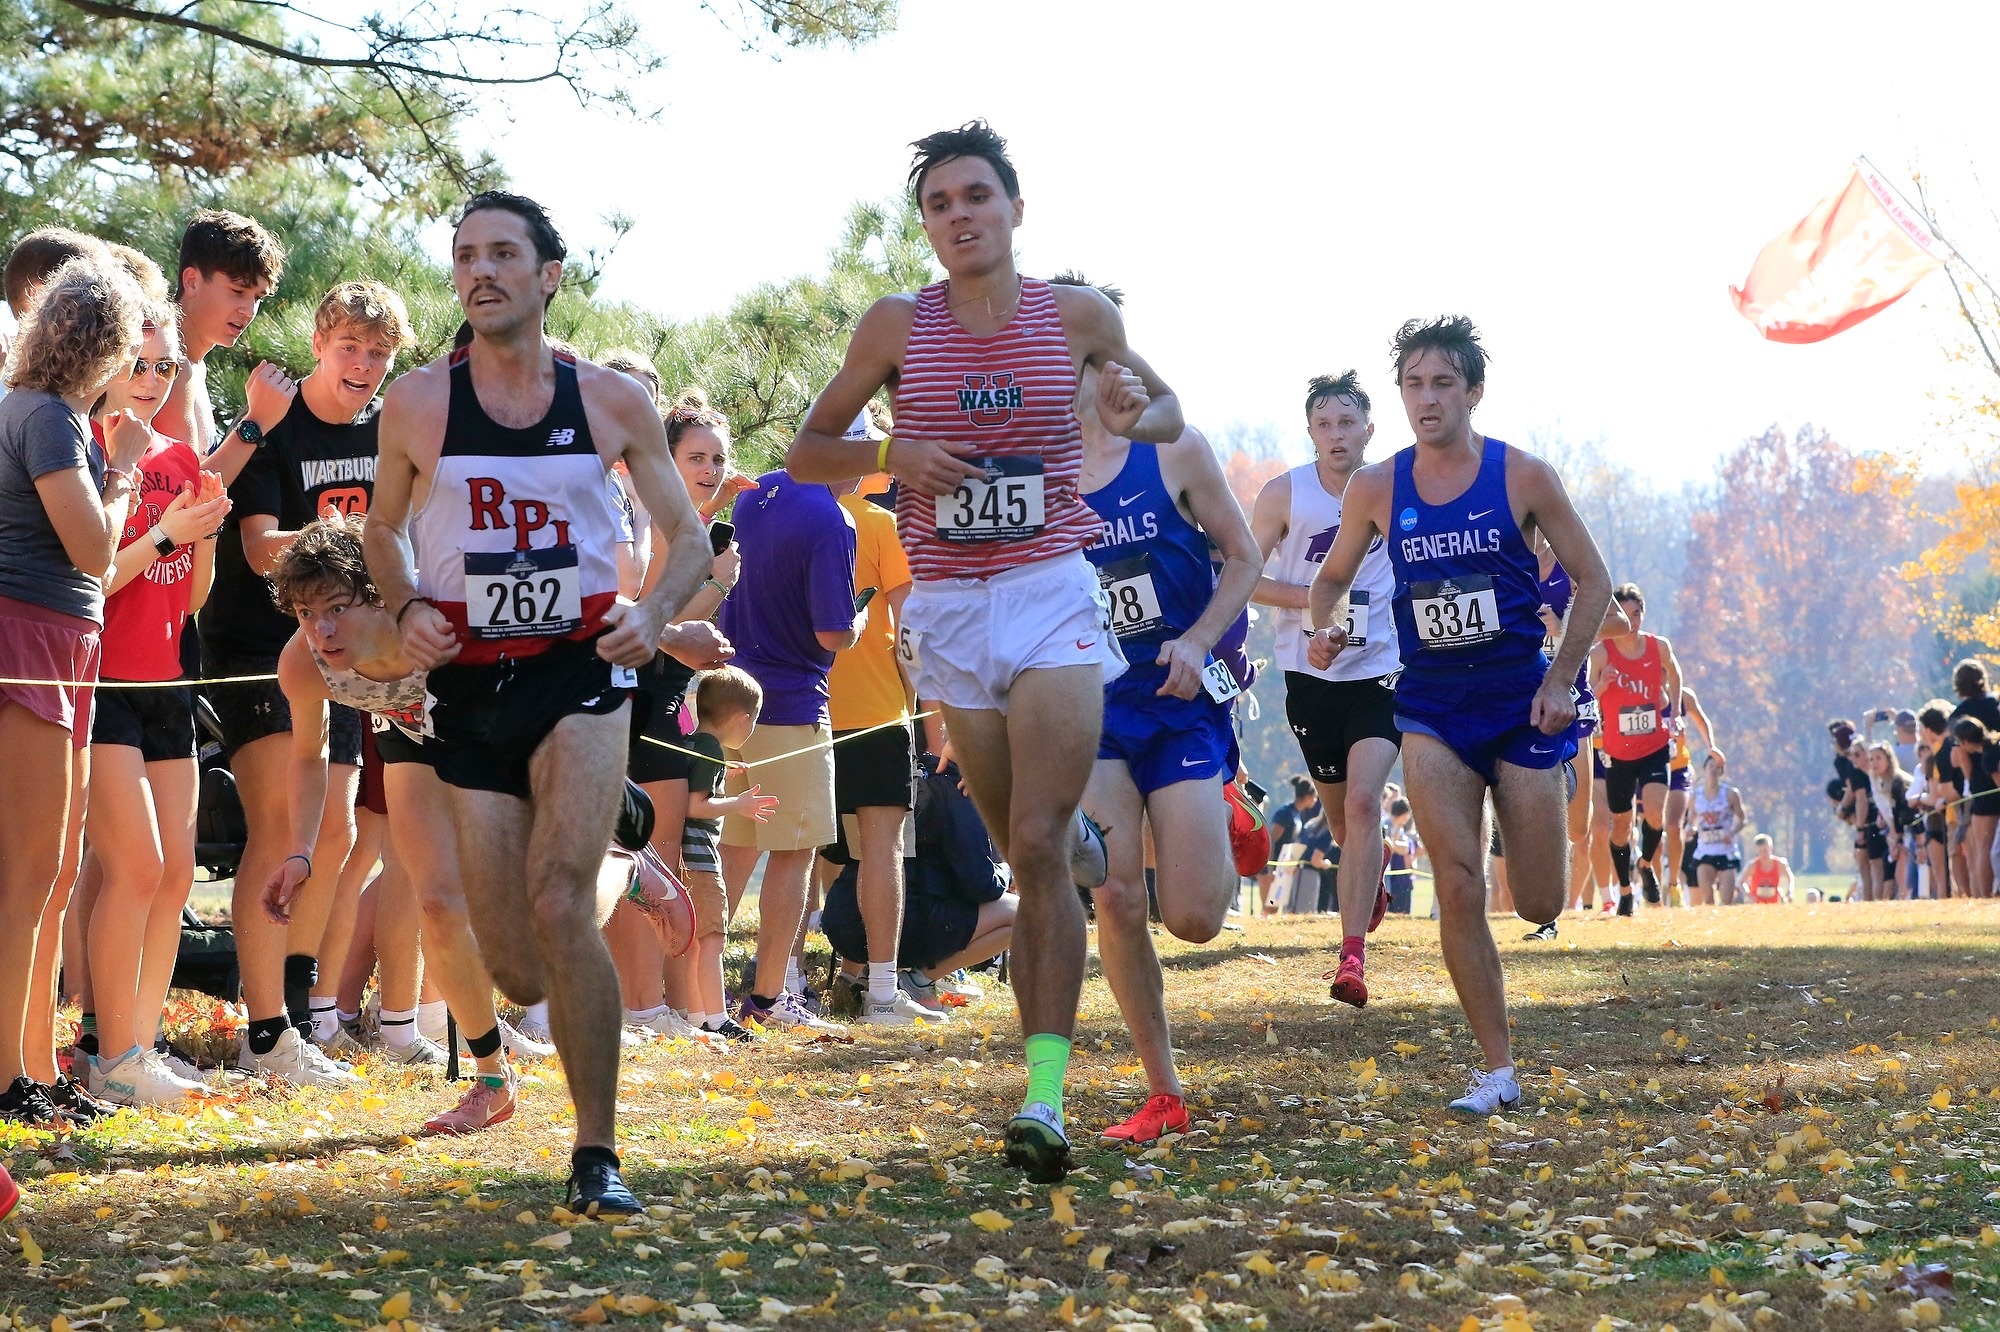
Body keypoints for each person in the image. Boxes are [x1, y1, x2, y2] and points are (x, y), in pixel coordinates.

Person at [785, 120, 1184, 1182]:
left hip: (1051, 588)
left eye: (975, 197)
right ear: (925, 225)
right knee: (1020, 840)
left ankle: (1043, 1096)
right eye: (938, 205)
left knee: (1043, 845)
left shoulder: (1074, 314)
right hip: (952, 607)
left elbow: (1166, 408)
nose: (958, 217)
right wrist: (891, 449)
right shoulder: (894, 326)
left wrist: (1131, 406)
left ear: (1014, 208)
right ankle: (1070, 870)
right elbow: (804, 452)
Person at [364, 190, 716, 1212]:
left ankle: (595, 1155)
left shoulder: (607, 400)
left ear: (547, 275)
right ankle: (616, 856)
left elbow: (686, 537)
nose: (482, 271)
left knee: (555, 903)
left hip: (581, 670)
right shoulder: (420, 403)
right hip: (471, 682)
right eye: (466, 255)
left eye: (504, 254)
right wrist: (407, 604)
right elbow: (385, 529)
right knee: (518, 965)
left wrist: (649, 617)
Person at [1307, 315, 1609, 1118]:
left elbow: (1595, 582)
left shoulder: (1524, 477)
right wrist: (1327, 628)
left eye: (1444, 383)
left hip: (1520, 703)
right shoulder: (1377, 487)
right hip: (1432, 708)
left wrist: (1561, 681)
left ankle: (1544, 795)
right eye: (1413, 383)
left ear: (1474, 392)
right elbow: (1329, 580)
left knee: (1540, 901)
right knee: (1459, 882)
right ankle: (1497, 1068)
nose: (1427, 398)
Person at [201, 280, 417, 1080]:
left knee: (339, 832)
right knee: (279, 828)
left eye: (380, 352)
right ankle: (264, 1032)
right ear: (321, 344)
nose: (363, 365)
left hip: (345, 657)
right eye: (350, 347)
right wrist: (363, 534)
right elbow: (260, 550)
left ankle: (298, 1011)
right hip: (260, 645)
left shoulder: (388, 430)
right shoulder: (278, 427)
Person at [264, 514, 538, 1130]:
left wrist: (666, 629)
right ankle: (492, 1080)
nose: (322, 630)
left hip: (502, 722)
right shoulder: (304, 665)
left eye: (336, 607)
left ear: (383, 592)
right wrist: (300, 852)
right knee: (438, 904)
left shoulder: (435, 610)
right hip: (412, 737)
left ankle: (629, 867)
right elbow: (309, 759)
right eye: (306, 614)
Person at [1068, 276, 1259, 1140]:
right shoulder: (1028, 469)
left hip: (1179, 701)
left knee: (1193, 918)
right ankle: (1164, 1089)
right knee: (1114, 895)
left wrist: (1199, 639)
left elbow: (1245, 557)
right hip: (1091, 707)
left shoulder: (1174, 449)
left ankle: (1221, 804)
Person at [0, 257, 150, 1124]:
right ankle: (8, 1082)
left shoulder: (37, 414)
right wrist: (124, 468)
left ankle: (34, 1069)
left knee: (52, 874)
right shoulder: (48, 419)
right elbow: (93, 549)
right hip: (31, 640)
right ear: (105, 346)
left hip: (60, 644)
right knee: (27, 875)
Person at [82, 309, 235, 1106]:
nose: (151, 382)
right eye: (139, 365)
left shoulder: (181, 458)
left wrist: (201, 533)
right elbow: (93, 578)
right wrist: (171, 534)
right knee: (134, 868)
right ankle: (108, 1053)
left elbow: (195, 597)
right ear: (108, 364)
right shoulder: (88, 450)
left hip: (169, 685)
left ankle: (137, 1050)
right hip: (101, 682)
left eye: (166, 369)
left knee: (176, 874)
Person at [1250, 372, 1401, 1001]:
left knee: (1367, 805)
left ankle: (1352, 959)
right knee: (1343, 821)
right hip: (1309, 673)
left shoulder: (1400, 485)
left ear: (1370, 428)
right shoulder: (1286, 494)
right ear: (1310, 432)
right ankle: (1370, 883)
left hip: (1384, 668)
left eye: (1348, 423)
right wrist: (1316, 607)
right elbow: (1245, 577)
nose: (1336, 435)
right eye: (1324, 424)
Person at [713, 459, 861, 1035]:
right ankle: (769, 995)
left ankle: (697, 990)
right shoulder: (833, 519)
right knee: (795, 848)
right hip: (793, 700)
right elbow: (832, 631)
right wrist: (861, 620)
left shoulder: (759, 490)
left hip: (732, 692)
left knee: (734, 848)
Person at [613, 383, 741, 1048]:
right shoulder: (663, 526)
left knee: (660, 857)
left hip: (670, 701)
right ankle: (643, 1004)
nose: (711, 469)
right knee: (646, 854)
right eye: (697, 457)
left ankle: (663, 1003)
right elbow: (662, 618)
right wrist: (720, 582)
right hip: (642, 691)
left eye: (718, 458)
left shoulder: (698, 528)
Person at [821, 408, 933, 1026]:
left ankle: (788, 980)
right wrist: (926, 707)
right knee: (883, 846)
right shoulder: (883, 525)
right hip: (878, 706)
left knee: (813, 846)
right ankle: (883, 989)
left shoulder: (796, 516)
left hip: (809, 706)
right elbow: (909, 629)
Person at [824, 752, 1017, 1000]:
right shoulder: (958, 785)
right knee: (1024, 913)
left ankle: (856, 976)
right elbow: (981, 885)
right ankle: (918, 981)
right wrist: (1008, 869)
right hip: (910, 930)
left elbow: (835, 852)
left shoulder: (884, 771)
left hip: (841, 925)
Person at [1530, 531, 1626, 937]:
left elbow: (1619, 623)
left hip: (1575, 698)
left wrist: (1564, 630)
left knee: (1579, 825)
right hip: (1519, 696)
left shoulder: (1570, 565)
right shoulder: (1502, 556)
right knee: (1535, 800)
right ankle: (1546, 914)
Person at [678, 667, 775, 1040]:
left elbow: (696, 781)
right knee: (713, 940)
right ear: (742, 719)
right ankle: (717, 1019)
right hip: (700, 861)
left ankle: (699, 1014)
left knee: (699, 941)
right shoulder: (708, 750)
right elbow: (696, 805)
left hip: (687, 861)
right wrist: (739, 803)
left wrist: (721, 774)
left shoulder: (696, 743)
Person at [155, 210, 286, 466]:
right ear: (192, 281)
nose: (248, 311)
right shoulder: (166, 364)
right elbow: (186, 491)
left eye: (257, 298)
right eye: (238, 291)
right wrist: (254, 423)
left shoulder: (193, 364)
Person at [1589, 583, 1683, 914]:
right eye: (1625, 615)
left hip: (1655, 744)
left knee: (1656, 812)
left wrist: (1674, 712)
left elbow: (1675, 674)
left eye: (1637, 614)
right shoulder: (1601, 652)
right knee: (1620, 826)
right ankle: (1626, 891)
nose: (1632, 622)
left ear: (1643, 613)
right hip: (1618, 751)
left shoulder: (1658, 646)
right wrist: (1604, 684)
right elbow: (1587, 696)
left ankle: (1645, 864)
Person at [1652, 683, 1717, 906]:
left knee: (1673, 826)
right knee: (1653, 831)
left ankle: (1673, 884)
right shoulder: (1640, 692)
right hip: (1649, 768)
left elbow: (1701, 719)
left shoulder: (1684, 696)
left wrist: (1712, 747)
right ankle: (1656, 886)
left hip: (1679, 769)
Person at [1948, 659, 2000, 898]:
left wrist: (1972, 784)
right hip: (1996, 768)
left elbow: (1961, 756)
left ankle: (1983, 896)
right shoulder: (1995, 704)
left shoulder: (1958, 715)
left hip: (1981, 783)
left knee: (1983, 846)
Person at [1686, 752, 1746, 906]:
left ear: (1721, 772)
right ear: (1704, 768)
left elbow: (1742, 819)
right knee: (1708, 900)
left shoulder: (1731, 794)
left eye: (1717, 767)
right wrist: (1691, 829)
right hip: (1705, 851)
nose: (1713, 770)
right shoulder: (1695, 795)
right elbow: (1691, 820)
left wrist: (1732, 832)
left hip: (1726, 852)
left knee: (1726, 900)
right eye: (1710, 766)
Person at [1915, 702, 1959, 898]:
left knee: (1947, 872)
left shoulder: (1937, 754)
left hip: (1948, 817)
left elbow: (1935, 795)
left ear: (1926, 729)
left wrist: (1919, 798)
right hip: (1954, 812)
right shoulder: (1955, 744)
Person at [1742, 834, 1792, 904]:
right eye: (1760, 851)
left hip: (1774, 903)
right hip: (1756, 904)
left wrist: (1790, 891)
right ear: (1756, 850)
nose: (1763, 854)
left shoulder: (1780, 863)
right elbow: (1740, 882)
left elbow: (1790, 877)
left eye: (1765, 850)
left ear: (1771, 848)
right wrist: (1748, 896)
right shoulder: (1752, 865)